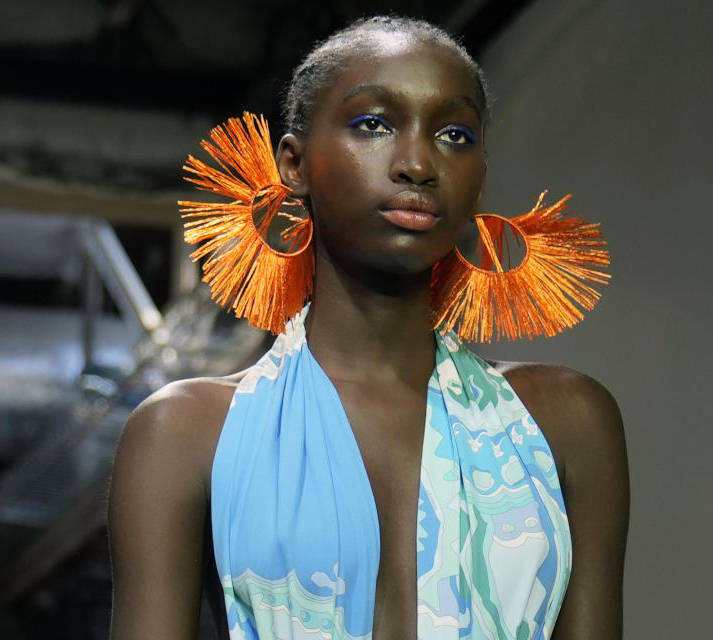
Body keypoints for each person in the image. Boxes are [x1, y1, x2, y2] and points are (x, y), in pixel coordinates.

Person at [108, 15, 629, 640]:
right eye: (373, 124)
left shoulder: (566, 421)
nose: (417, 163)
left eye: (455, 134)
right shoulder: (185, 433)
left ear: (480, 176)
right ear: (294, 165)